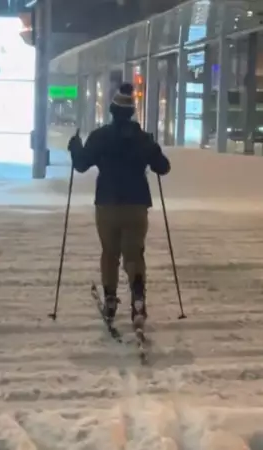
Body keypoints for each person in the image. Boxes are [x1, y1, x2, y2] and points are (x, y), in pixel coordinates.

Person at [68, 82, 171, 328]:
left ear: (112, 111)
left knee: (110, 253)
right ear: (132, 112)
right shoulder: (143, 138)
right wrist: (152, 150)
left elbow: (81, 164)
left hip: (107, 204)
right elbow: (163, 167)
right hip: (136, 205)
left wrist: (75, 147)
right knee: (134, 254)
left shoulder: (100, 137)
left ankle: (111, 300)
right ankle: (137, 299)